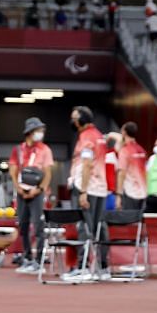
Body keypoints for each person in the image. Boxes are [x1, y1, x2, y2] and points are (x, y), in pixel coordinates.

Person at [66, 106, 109, 281]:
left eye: (74, 118)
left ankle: (82, 267)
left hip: (87, 187)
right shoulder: (99, 136)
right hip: (100, 188)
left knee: (83, 226)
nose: (72, 121)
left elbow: (86, 165)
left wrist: (83, 192)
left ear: (81, 120)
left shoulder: (86, 138)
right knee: (99, 227)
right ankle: (103, 267)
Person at [8, 117, 53, 274]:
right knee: (23, 226)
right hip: (21, 192)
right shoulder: (18, 149)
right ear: (30, 132)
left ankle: (39, 259)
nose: (41, 133)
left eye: (42, 130)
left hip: (38, 193)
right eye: (38, 130)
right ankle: (27, 258)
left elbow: (48, 173)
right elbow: (13, 170)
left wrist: (40, 189)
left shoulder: (45, 150)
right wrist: (18, 188)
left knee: (39, 226)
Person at [115, 122, 147, 211]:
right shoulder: (142, 150)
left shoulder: (125, 151)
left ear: (124, 132)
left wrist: (118, 195)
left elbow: (121, 173)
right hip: (143, 192)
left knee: (128, 223)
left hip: (130, 192)